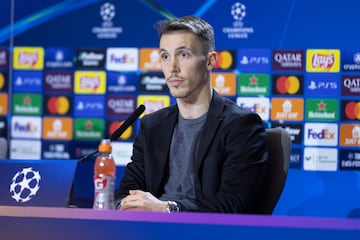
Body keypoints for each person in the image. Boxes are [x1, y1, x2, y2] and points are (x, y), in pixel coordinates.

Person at [114, 16, 268, 213]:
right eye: (165, 56)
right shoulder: (152, 126)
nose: (172, 68)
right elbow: (126, 192)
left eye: (183, 55)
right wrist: (124, 206)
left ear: (211, 60)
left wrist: (167, 209)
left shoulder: (241, 125)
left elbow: (232, 204)